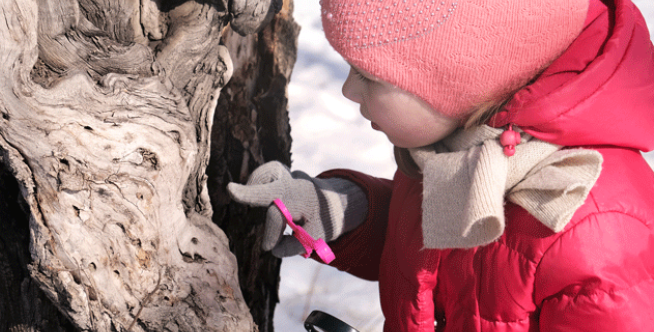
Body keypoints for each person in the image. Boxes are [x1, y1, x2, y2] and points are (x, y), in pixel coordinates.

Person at [227, 0, 654, 330]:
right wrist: (348, 211)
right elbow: (450, 260)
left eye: (370, 77)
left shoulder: (594, 230)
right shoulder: (461, 148)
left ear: (466, 78)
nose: (347, 90)